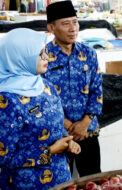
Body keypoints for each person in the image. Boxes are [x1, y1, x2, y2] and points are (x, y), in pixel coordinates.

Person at [0, 28, 81, 189]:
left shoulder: (45, 86)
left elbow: (53, 126)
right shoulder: (6, 101)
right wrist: (49, 151)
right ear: (20, 57)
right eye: (39, 54)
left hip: (60, 178)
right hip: (26, 184)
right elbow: (4, 158)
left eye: (46, 52)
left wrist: (67, 141)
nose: (47, 57)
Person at [43, 1, 103, 177]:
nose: (72, 28)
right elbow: (41, 97)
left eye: (75, 22)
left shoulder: (88, 53)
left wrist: (84, 123)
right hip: (57, 134)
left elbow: (97, 90)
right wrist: (68, 125)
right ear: (51, 28)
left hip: (88, 131)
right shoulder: (43, 56)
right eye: (65, 23)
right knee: (60, 181)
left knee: (93, 178)